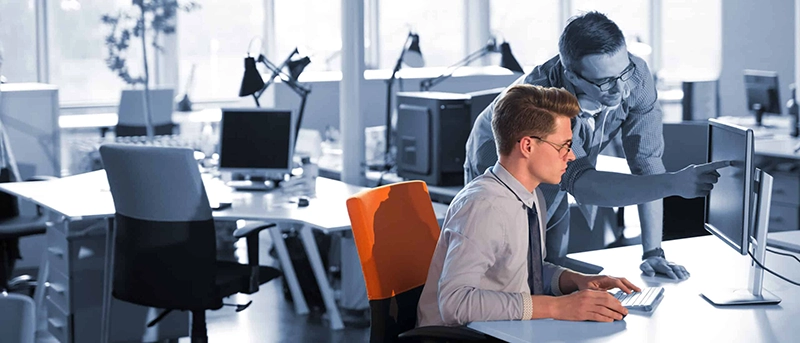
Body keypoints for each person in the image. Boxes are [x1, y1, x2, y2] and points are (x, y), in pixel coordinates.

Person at [464, 11, 729, 280]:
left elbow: (647, 163)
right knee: (511, 269)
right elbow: (583, 183)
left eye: (623, 72)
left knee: (551, 261)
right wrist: (674, 184)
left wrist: (653, 253)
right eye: (605, 82)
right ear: (573, 76)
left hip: (561, 163)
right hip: (503, 157)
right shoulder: (539, 103)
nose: (620, 89)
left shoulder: (633, 76)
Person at [417, 84, 640, 327]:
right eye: (563, 146)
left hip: (504, 330)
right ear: (527, 146)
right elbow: (454, 304)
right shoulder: (484, 207)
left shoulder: (530, 196)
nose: (571, 155)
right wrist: (557, 306)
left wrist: (575, 280)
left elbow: (521, 273)